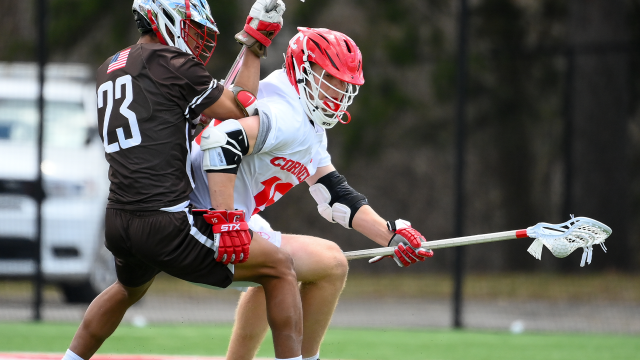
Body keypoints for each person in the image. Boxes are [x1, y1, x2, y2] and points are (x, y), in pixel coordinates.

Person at [60, 1, 306, 360]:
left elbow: (159, 123)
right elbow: (240, 109)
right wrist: (255, 44)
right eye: (190, 28)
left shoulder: (109, 67)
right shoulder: (171, 63)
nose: (195, 39)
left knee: (128, 289)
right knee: (280, 267)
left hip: (119, 218)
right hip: (164, 221)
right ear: (163, 17)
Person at [189, 27, 434, 360]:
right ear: (301, 70)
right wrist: (226, 219)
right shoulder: (288, 114)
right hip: (205, 221)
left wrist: (390, 235)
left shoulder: (304, 119)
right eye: (329, 78)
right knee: (331, 263)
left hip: (215, 215)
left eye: (345, 84)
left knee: (275, 265)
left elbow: (334, 195)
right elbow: (222, 141)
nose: (339, 91)